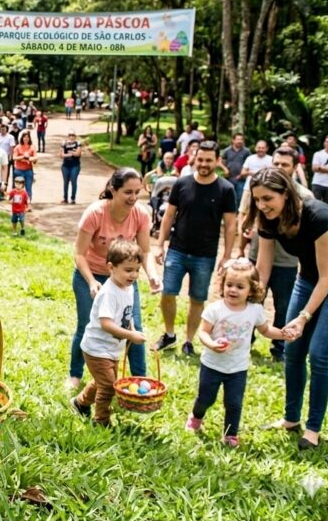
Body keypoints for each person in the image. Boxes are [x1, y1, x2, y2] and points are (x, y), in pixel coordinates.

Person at [250, 168, 328, 449]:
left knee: (319, 354)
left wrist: (303, 317)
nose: (262, 205)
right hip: (307, 280)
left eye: (267, 198)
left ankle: (313, 429)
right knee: (293, 349)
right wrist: (252, 305)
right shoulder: (267, 219)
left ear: (286, 193)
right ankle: (291, 418)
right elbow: (263, 268)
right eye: (257, 199)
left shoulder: (319, 215)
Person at [69, 168, 159, 388]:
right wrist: (91, 281)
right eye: (128, 192)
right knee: (87, 324)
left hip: (123, 279)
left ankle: (140, 379)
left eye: (137, 192)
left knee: (134, 327)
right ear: (113, 189)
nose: (133, 197)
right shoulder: (95, 213)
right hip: (90, 274)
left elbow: (145, 251)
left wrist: (152, 275)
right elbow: (79, 254)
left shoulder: (140, 214)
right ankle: (75, 375)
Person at [185, 259, 290, 447]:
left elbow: (265, 330)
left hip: (237, 368)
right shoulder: (215, 309)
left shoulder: (255, 310)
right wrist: (212, 344)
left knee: (234, 404)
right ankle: (196, 417)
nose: (233, 290)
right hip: (212, 365)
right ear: (223, 285)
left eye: (240, 287)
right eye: (229, 285)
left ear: (251, 290)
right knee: (206, 399)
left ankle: (230, 434)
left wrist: (283, 334)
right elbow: (203, 332)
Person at [155, 142, 237, 355]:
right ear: (194, 159)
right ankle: (169, 334)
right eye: (200, 159)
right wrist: (160, 244)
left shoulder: (226, 189)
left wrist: (227, 255)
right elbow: (169, 215)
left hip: (205, 255)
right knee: (168, 292)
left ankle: (189, 341)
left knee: (197, 298)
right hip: (177, 249)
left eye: (209, 160)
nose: (204, 164)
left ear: (217, 161)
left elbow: (230, 225)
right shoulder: (182, 183)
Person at [237, 147, 314, 362]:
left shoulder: (305, 197)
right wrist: (241, 247)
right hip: (257, 256)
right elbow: (245, 216)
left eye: (285, 164)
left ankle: (279, 348)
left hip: (287, 262)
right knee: (252, 299)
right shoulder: (258, 188)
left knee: (283, 306)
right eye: (276, 163)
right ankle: (244, 341)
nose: (280, 167)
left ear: (295, 167)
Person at [70, 239, 149, 426]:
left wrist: (133, 330)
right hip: (96, 348)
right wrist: (130, 336)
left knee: (102, 382)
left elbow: (127, 314)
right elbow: (105, 324)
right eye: (128, 270)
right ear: (111, 267)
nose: (134, 275)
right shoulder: (109, 293)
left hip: (112, 348)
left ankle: (80, 403)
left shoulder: (128, 289)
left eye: (137, 270)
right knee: (108, 386)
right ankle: (101, 421)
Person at [221, 133, 250, 207]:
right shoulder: (227, 151)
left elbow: (249, 164)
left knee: (239, 198)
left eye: (241, 139)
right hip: (229, 178)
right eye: (238, 139)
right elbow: (221, 162)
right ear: (233, 140)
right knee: (228, 197)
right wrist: (225, 169)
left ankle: (238, 213)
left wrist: (242, 175)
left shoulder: (246, 151)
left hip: (241, 179)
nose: (239, 141)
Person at [11, 131, 37, 203]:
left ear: (29, 138)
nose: (26, 138)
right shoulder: (18, 147)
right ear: (22, 138)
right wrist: (23, 157)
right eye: (24, 137)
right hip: (19, 170)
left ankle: (28, 202)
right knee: (18, 187)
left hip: (28, 170)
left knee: (28, 187)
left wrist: (29, 158)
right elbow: (14, 157)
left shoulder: (32, 147)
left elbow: (35, 158)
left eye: (27, 137)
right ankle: (17, 203)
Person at [60, 131, 83, 204]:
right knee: (66, 182)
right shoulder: (64, 143)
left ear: (75, 136)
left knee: (73, 181)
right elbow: (61, 155)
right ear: (68, 136)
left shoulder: (78, 143)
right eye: (70, 135)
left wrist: (71, 153)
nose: (71, 137)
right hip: (65, 166)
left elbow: (78, 154)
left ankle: (73, 198)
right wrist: (71, 154)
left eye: (73, 135)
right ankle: (65, 198)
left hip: (75, 165)